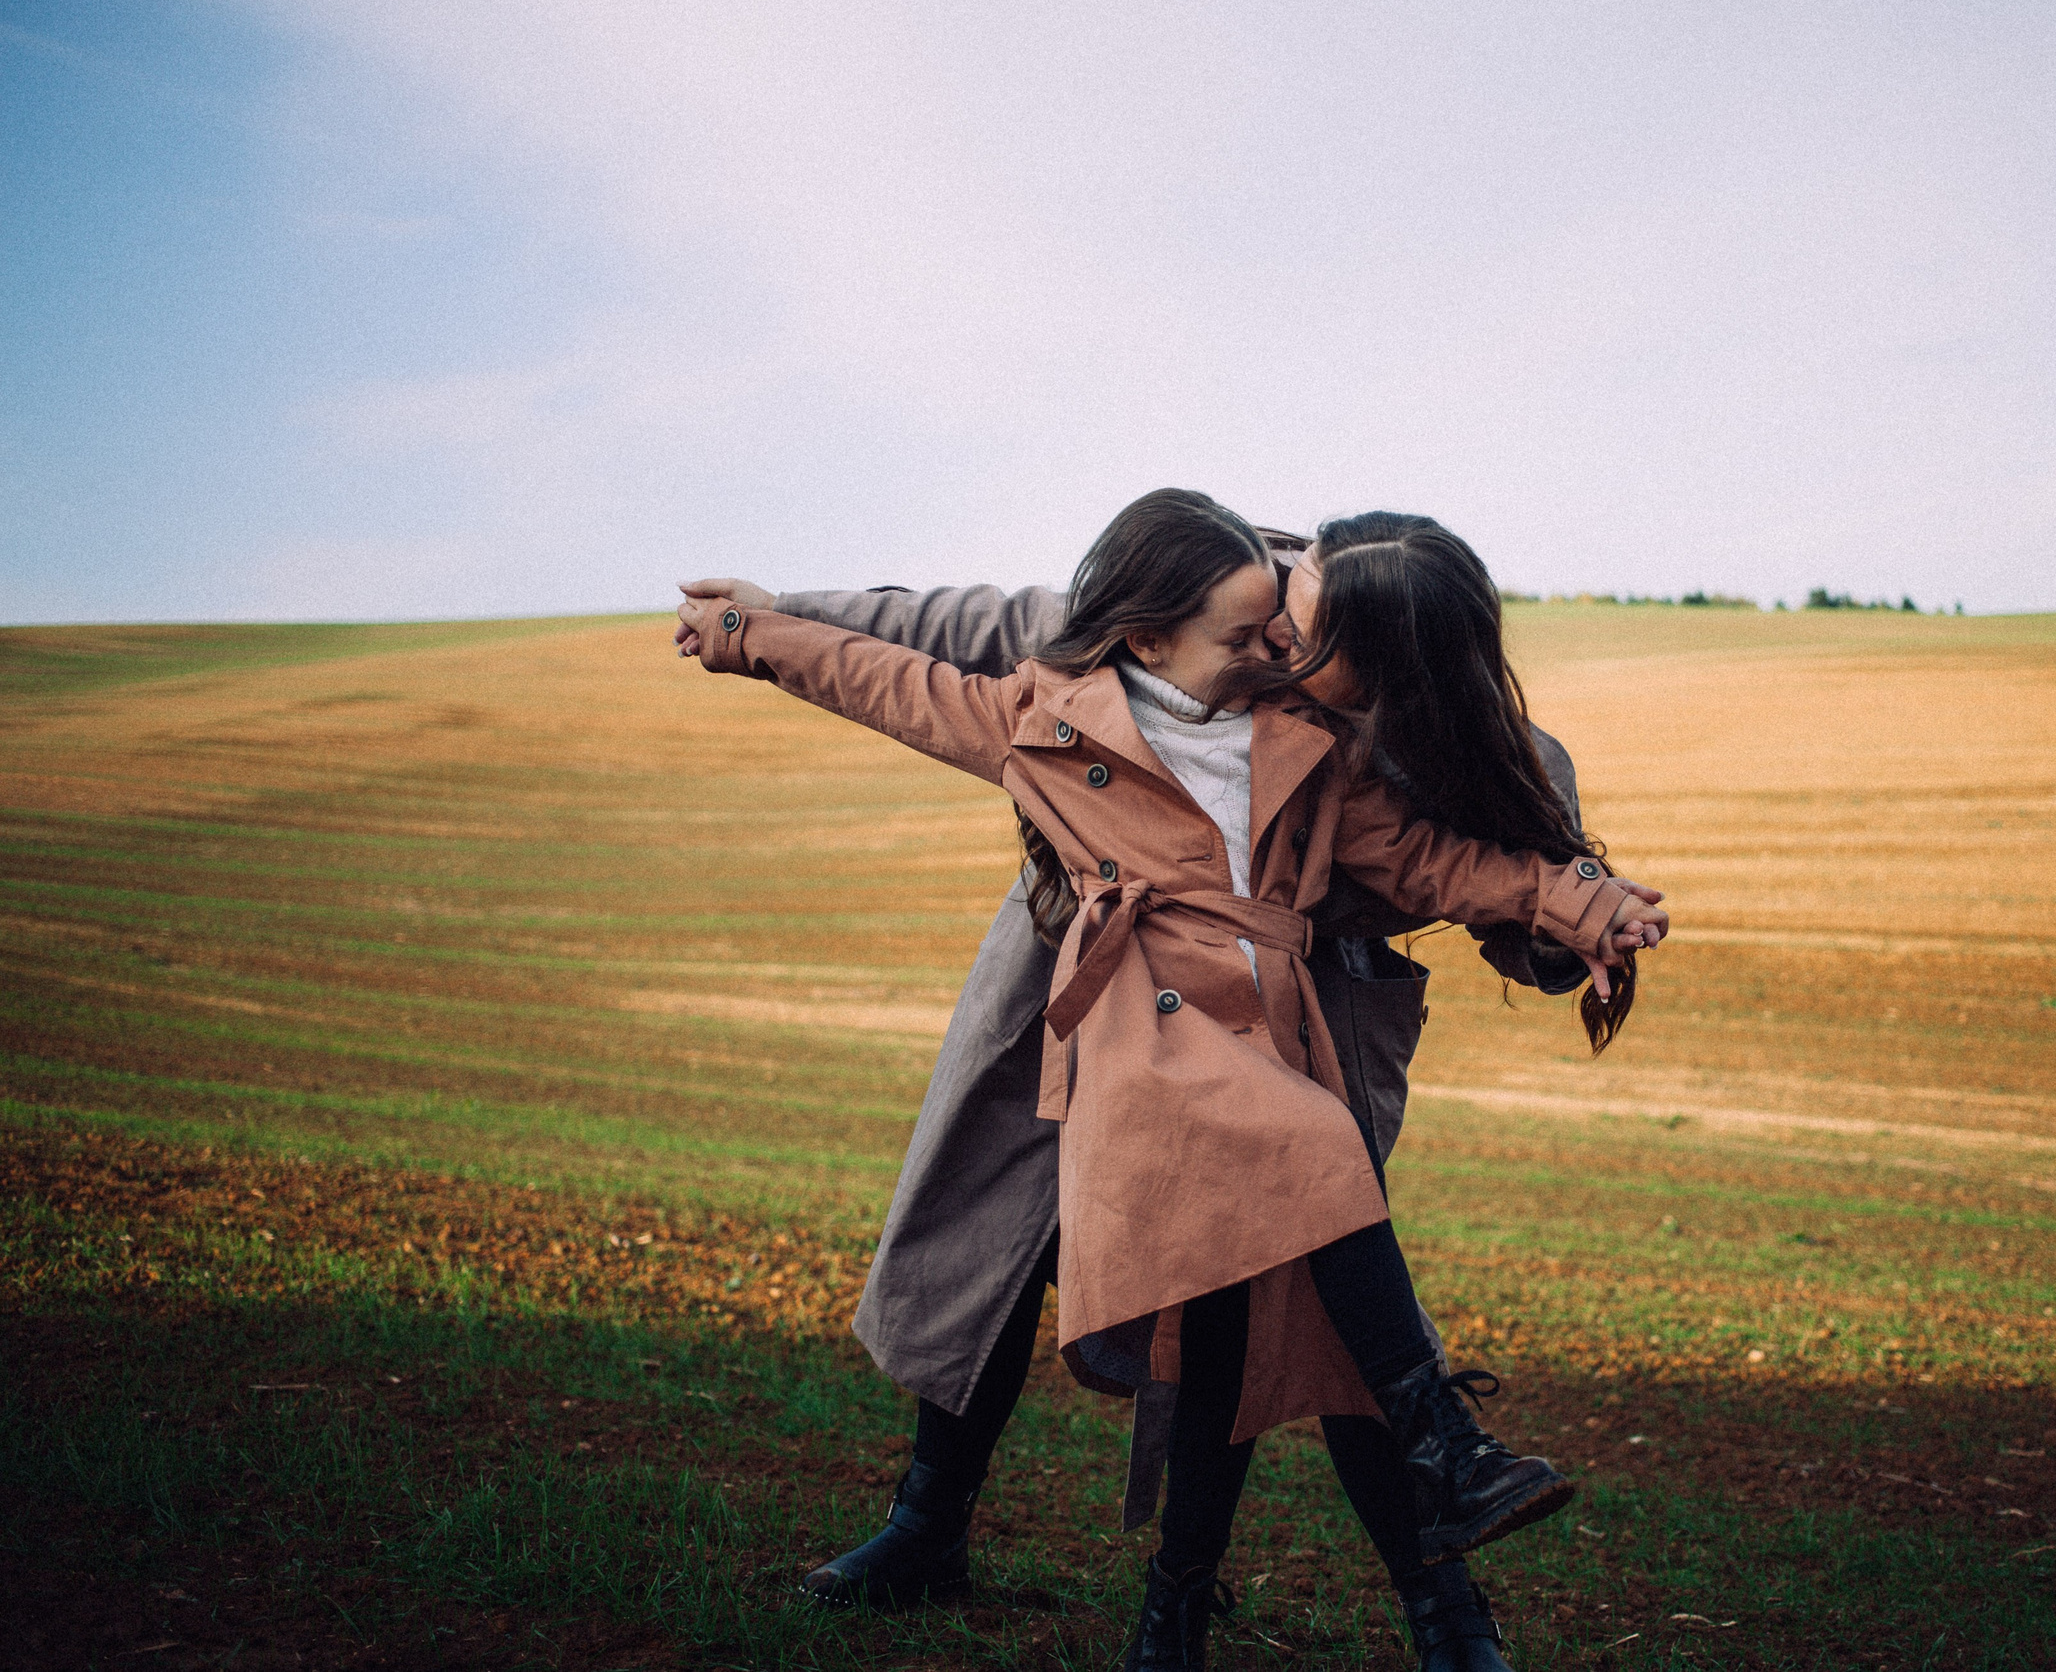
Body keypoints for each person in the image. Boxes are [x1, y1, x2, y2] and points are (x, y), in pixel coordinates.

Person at [677, 491, 1666, 1670]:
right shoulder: (1197, 596)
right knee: (1001, 1234)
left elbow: (1468, 866)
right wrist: (770, 619)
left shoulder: (1399, 737)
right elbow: (946, 648)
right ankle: (929, 1526)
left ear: (1395, 672)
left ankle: (1431, 1606)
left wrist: (1574, 920)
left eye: (1302, 644)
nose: (1277, 651)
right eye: (1270, 625)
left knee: (1297, 1275)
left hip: (1302, 1004)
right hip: (1092, 971)